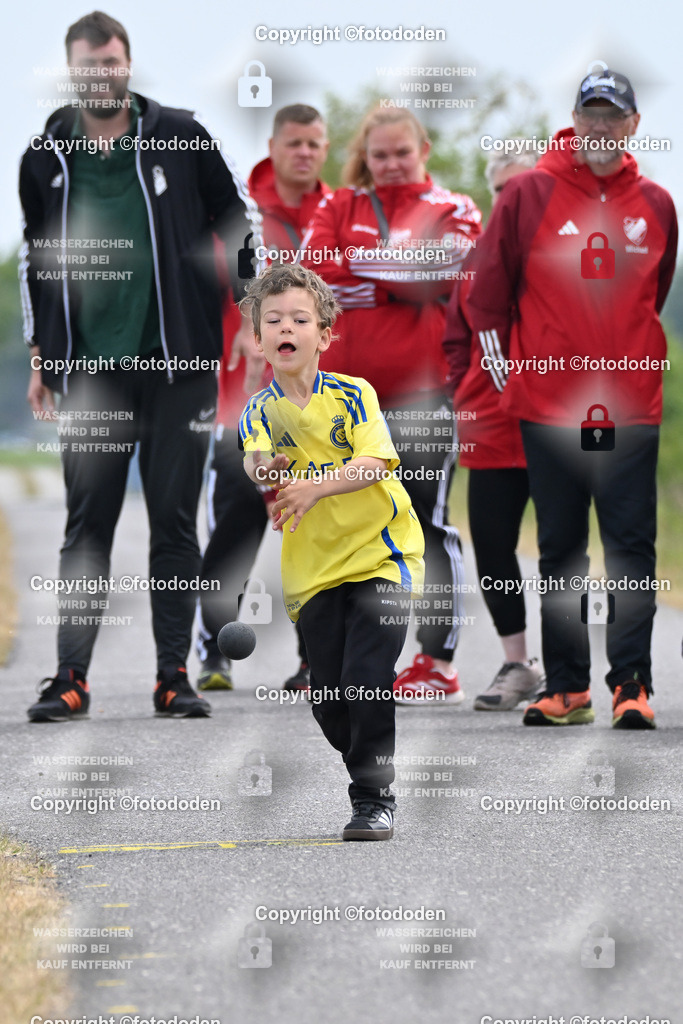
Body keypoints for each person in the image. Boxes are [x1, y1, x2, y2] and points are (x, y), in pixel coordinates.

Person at [20, 11, 262, 722]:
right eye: (89, 64)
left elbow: (236, 218)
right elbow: (39, 261)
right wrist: (42, 354)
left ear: (129, 64)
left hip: (178, 362)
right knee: (86, 525)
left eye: (113, 61)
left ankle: (170, 676)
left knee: (175, 523)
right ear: (73, 70)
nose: (102, 73)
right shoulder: (44, 156)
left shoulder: (181, 135)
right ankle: (70, 678)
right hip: (91, 373)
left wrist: (250, 308)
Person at [466, 63, 678, 728]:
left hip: (628, 408)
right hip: (546, 407)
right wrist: (516, 382)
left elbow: (655, 292)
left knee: (629, 548)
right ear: (574, 117)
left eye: (613, 116)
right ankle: (565, 688)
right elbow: (485, 299)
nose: (600, 126)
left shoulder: (657, 204)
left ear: (632, 125)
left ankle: (631, 688)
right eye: (590, 113)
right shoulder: (528, 193)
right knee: (559, 547)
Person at [300, 107, 481, 704]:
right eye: (379, 155)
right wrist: (398, 276)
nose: (390, 164)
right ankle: (341, 659)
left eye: (401, 152)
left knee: (424, 525)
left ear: (423, 148)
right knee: (340, 524)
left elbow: (450, 268)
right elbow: (311, 282)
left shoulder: (455, 208)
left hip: (424, 396)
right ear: (364, 157)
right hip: (344, 401)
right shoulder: (336, 206)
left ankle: (436, 663)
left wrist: (361, 272)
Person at [239, 264, 424, 839]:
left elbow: (373, 463)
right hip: (313, 573)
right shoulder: (259, 411)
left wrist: (316, 484)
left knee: (367, 677)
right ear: (259, 337)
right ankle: (372, 755)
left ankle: (372, 797)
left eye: (299, 318)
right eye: (273, 320)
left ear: (324, 334)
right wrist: (264, 468)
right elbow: (255, 457)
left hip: (382, 555)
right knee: (330, 702)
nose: (285, 327)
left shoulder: (354, 395)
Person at [196, 104, 331, 693]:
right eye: (294, 142)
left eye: (314, 143)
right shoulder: (239, 208)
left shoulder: (340, 212)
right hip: (242, 401)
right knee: (235, 526)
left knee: (314, 529)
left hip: (313, 406)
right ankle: (214, 651)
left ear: (325, 149)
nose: (304, 153)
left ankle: (313, 660)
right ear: (273, 145)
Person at [443, 149, 545, 710]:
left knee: (562, 549)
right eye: (501, 189)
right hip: (487, 423)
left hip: (550, 424)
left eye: (520, 187)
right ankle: (518, 662)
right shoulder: (475, 261)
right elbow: (457, 340)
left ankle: (567, 672)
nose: (510, 198)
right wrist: (467, 391)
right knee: (493, 548)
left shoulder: (559, 253)